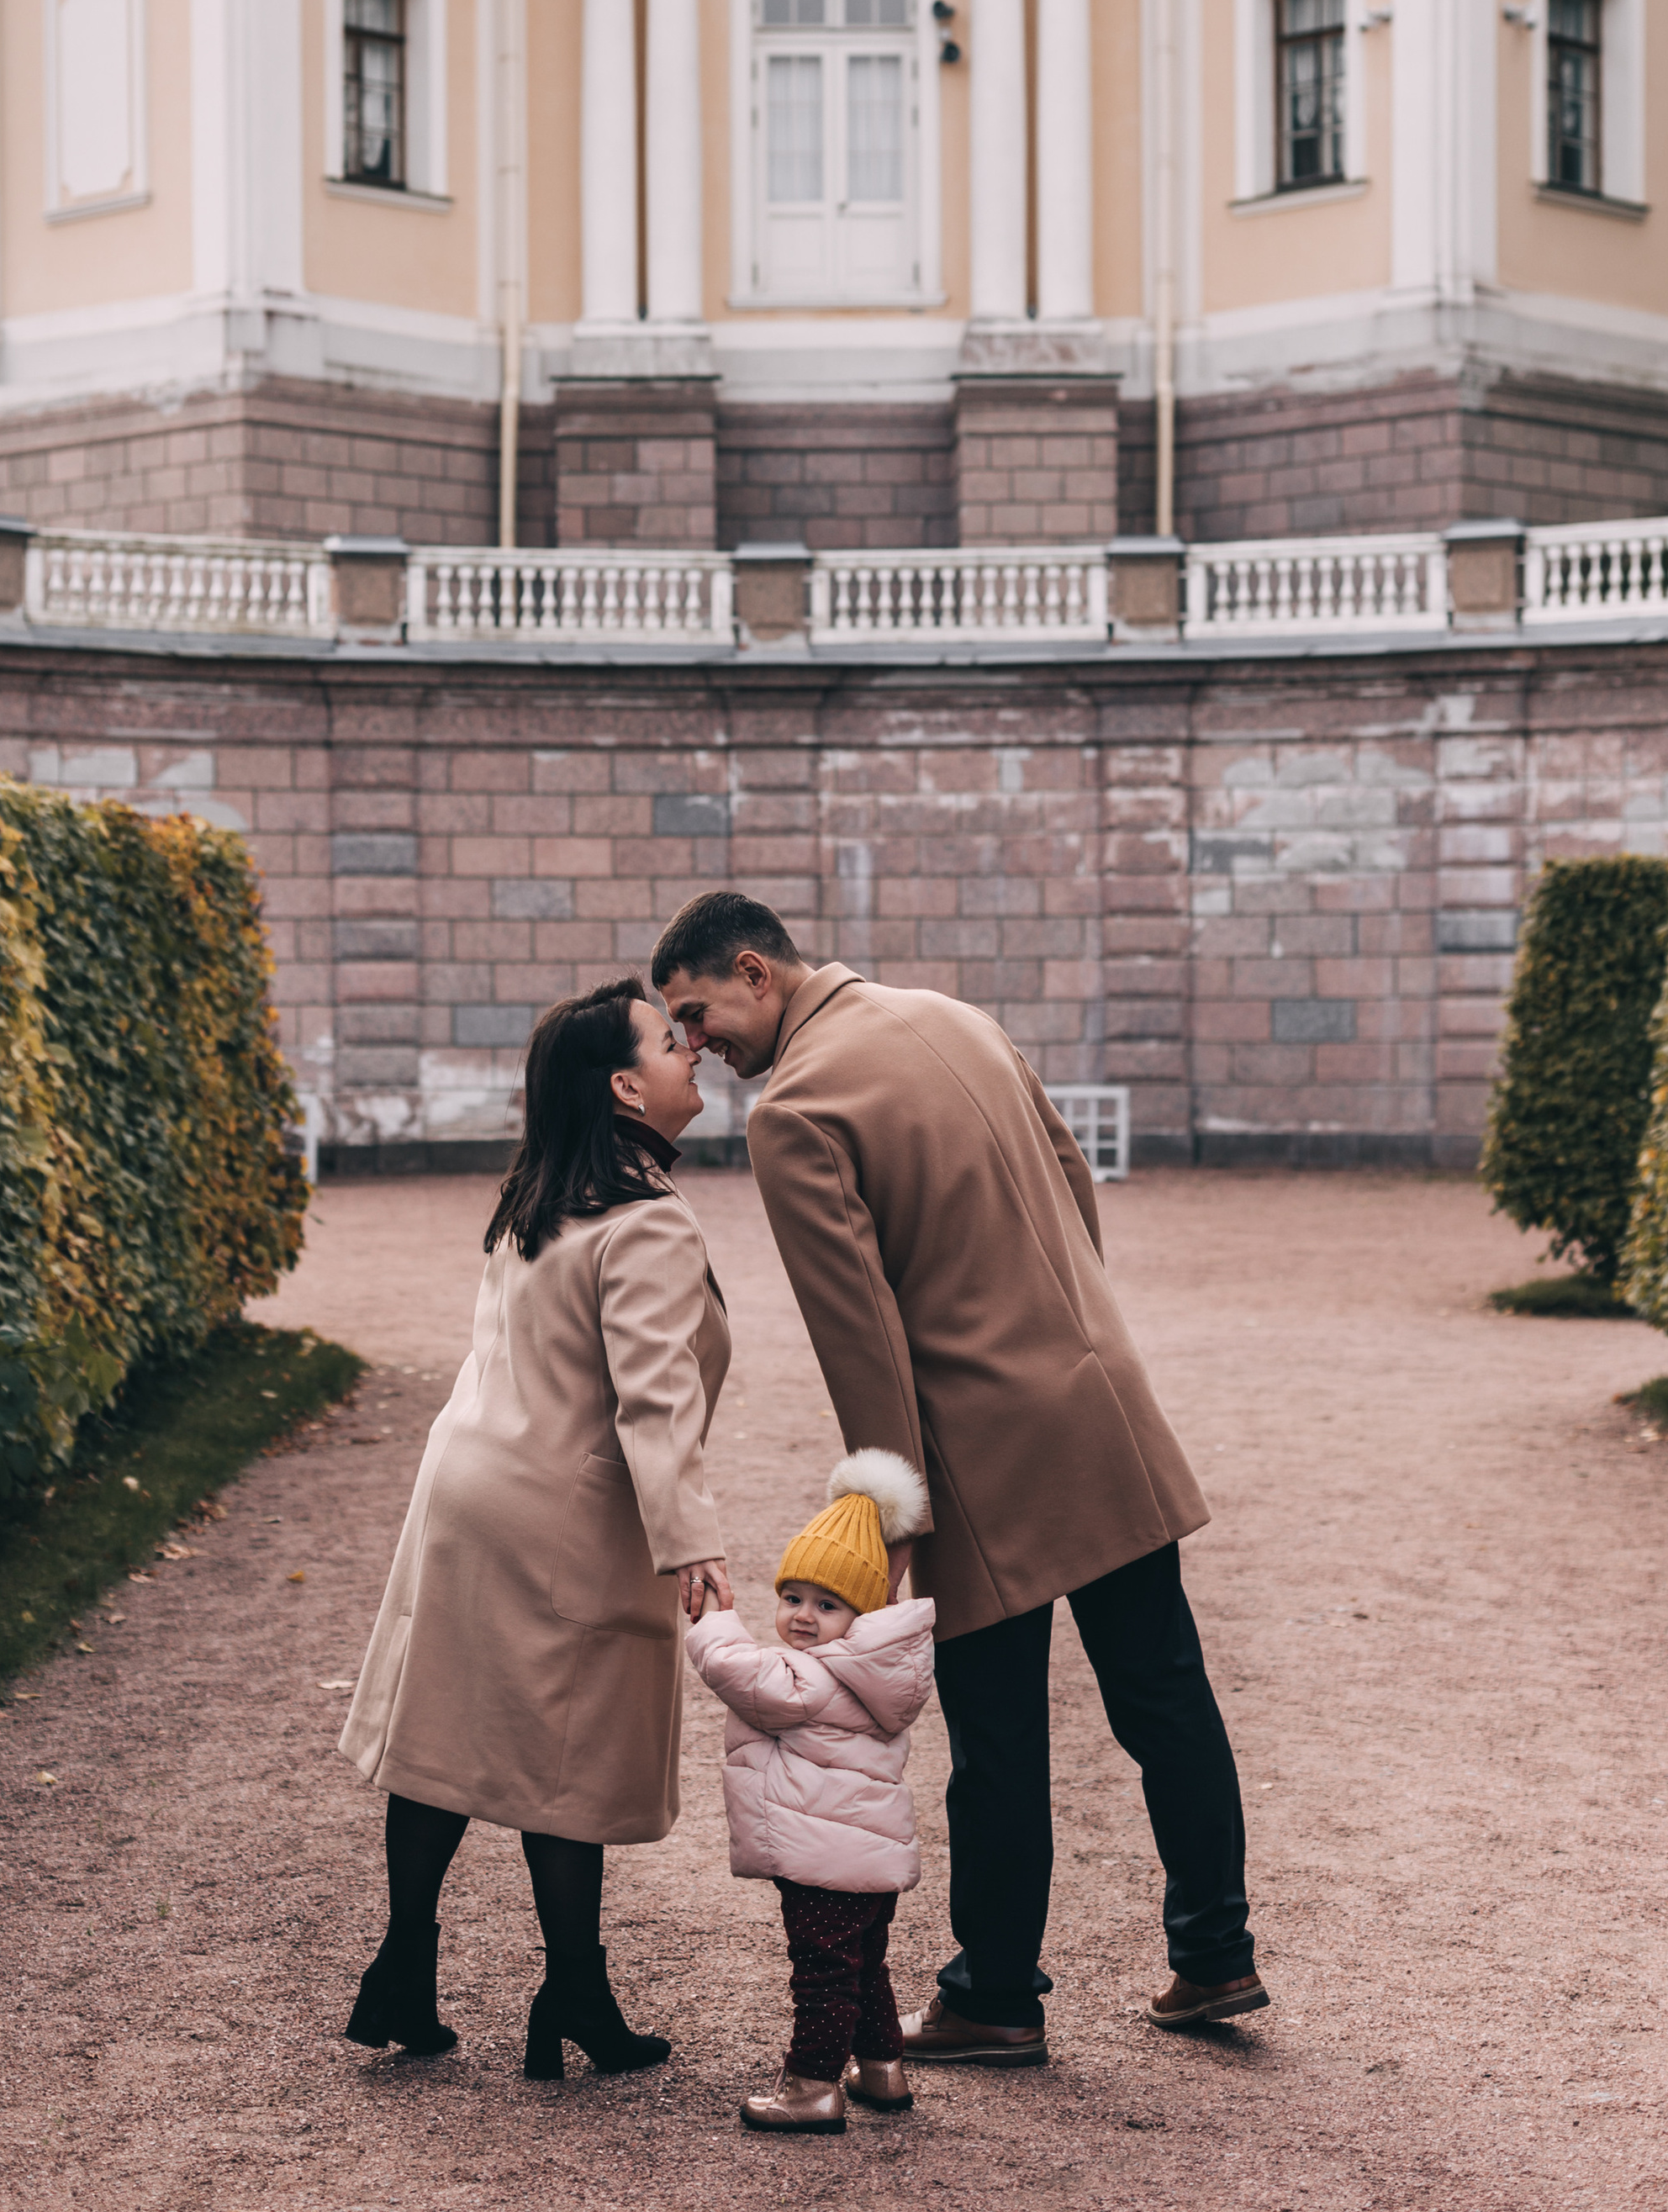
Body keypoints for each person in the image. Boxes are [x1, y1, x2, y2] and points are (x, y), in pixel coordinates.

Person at [653, 891, 1265, 2065]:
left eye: (697, 1012)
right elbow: (1072, 1181)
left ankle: (995, 1996)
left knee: (997, 1740)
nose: (694, 1044)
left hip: (978, 1448)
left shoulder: (795, 1112)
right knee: (1166, 1693)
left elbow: (861, 1334)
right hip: (1096, 1397)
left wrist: (887, 1515)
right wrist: (1070, 1327)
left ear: (754, 972)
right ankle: (1215, 1954)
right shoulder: (950, 1013)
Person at [338, 975, 733, 2078]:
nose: (690, 1050)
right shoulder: (645, 1220)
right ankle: (573, 1992)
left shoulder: (541, 1196)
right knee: (569, 1751)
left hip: (469, 1489)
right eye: (668, 1041)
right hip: (562, 1510)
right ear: (624, 1086)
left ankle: (404, 1968)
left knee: (446, 1732)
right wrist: (690, 1538)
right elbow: (654, 1396)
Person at [686, 1449, 936, 2134]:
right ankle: (882, 2070)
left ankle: (812, 2086)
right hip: (864, 1858)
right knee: (866, 1965)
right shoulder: (874, 1669)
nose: (803, 1616)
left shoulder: (814, 1678)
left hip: (826, 1861)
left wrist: (715, 1617)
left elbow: (736, 1671)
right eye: (792, 1598)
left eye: (828, 1605)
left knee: (822, 1973)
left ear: (863, 1614)